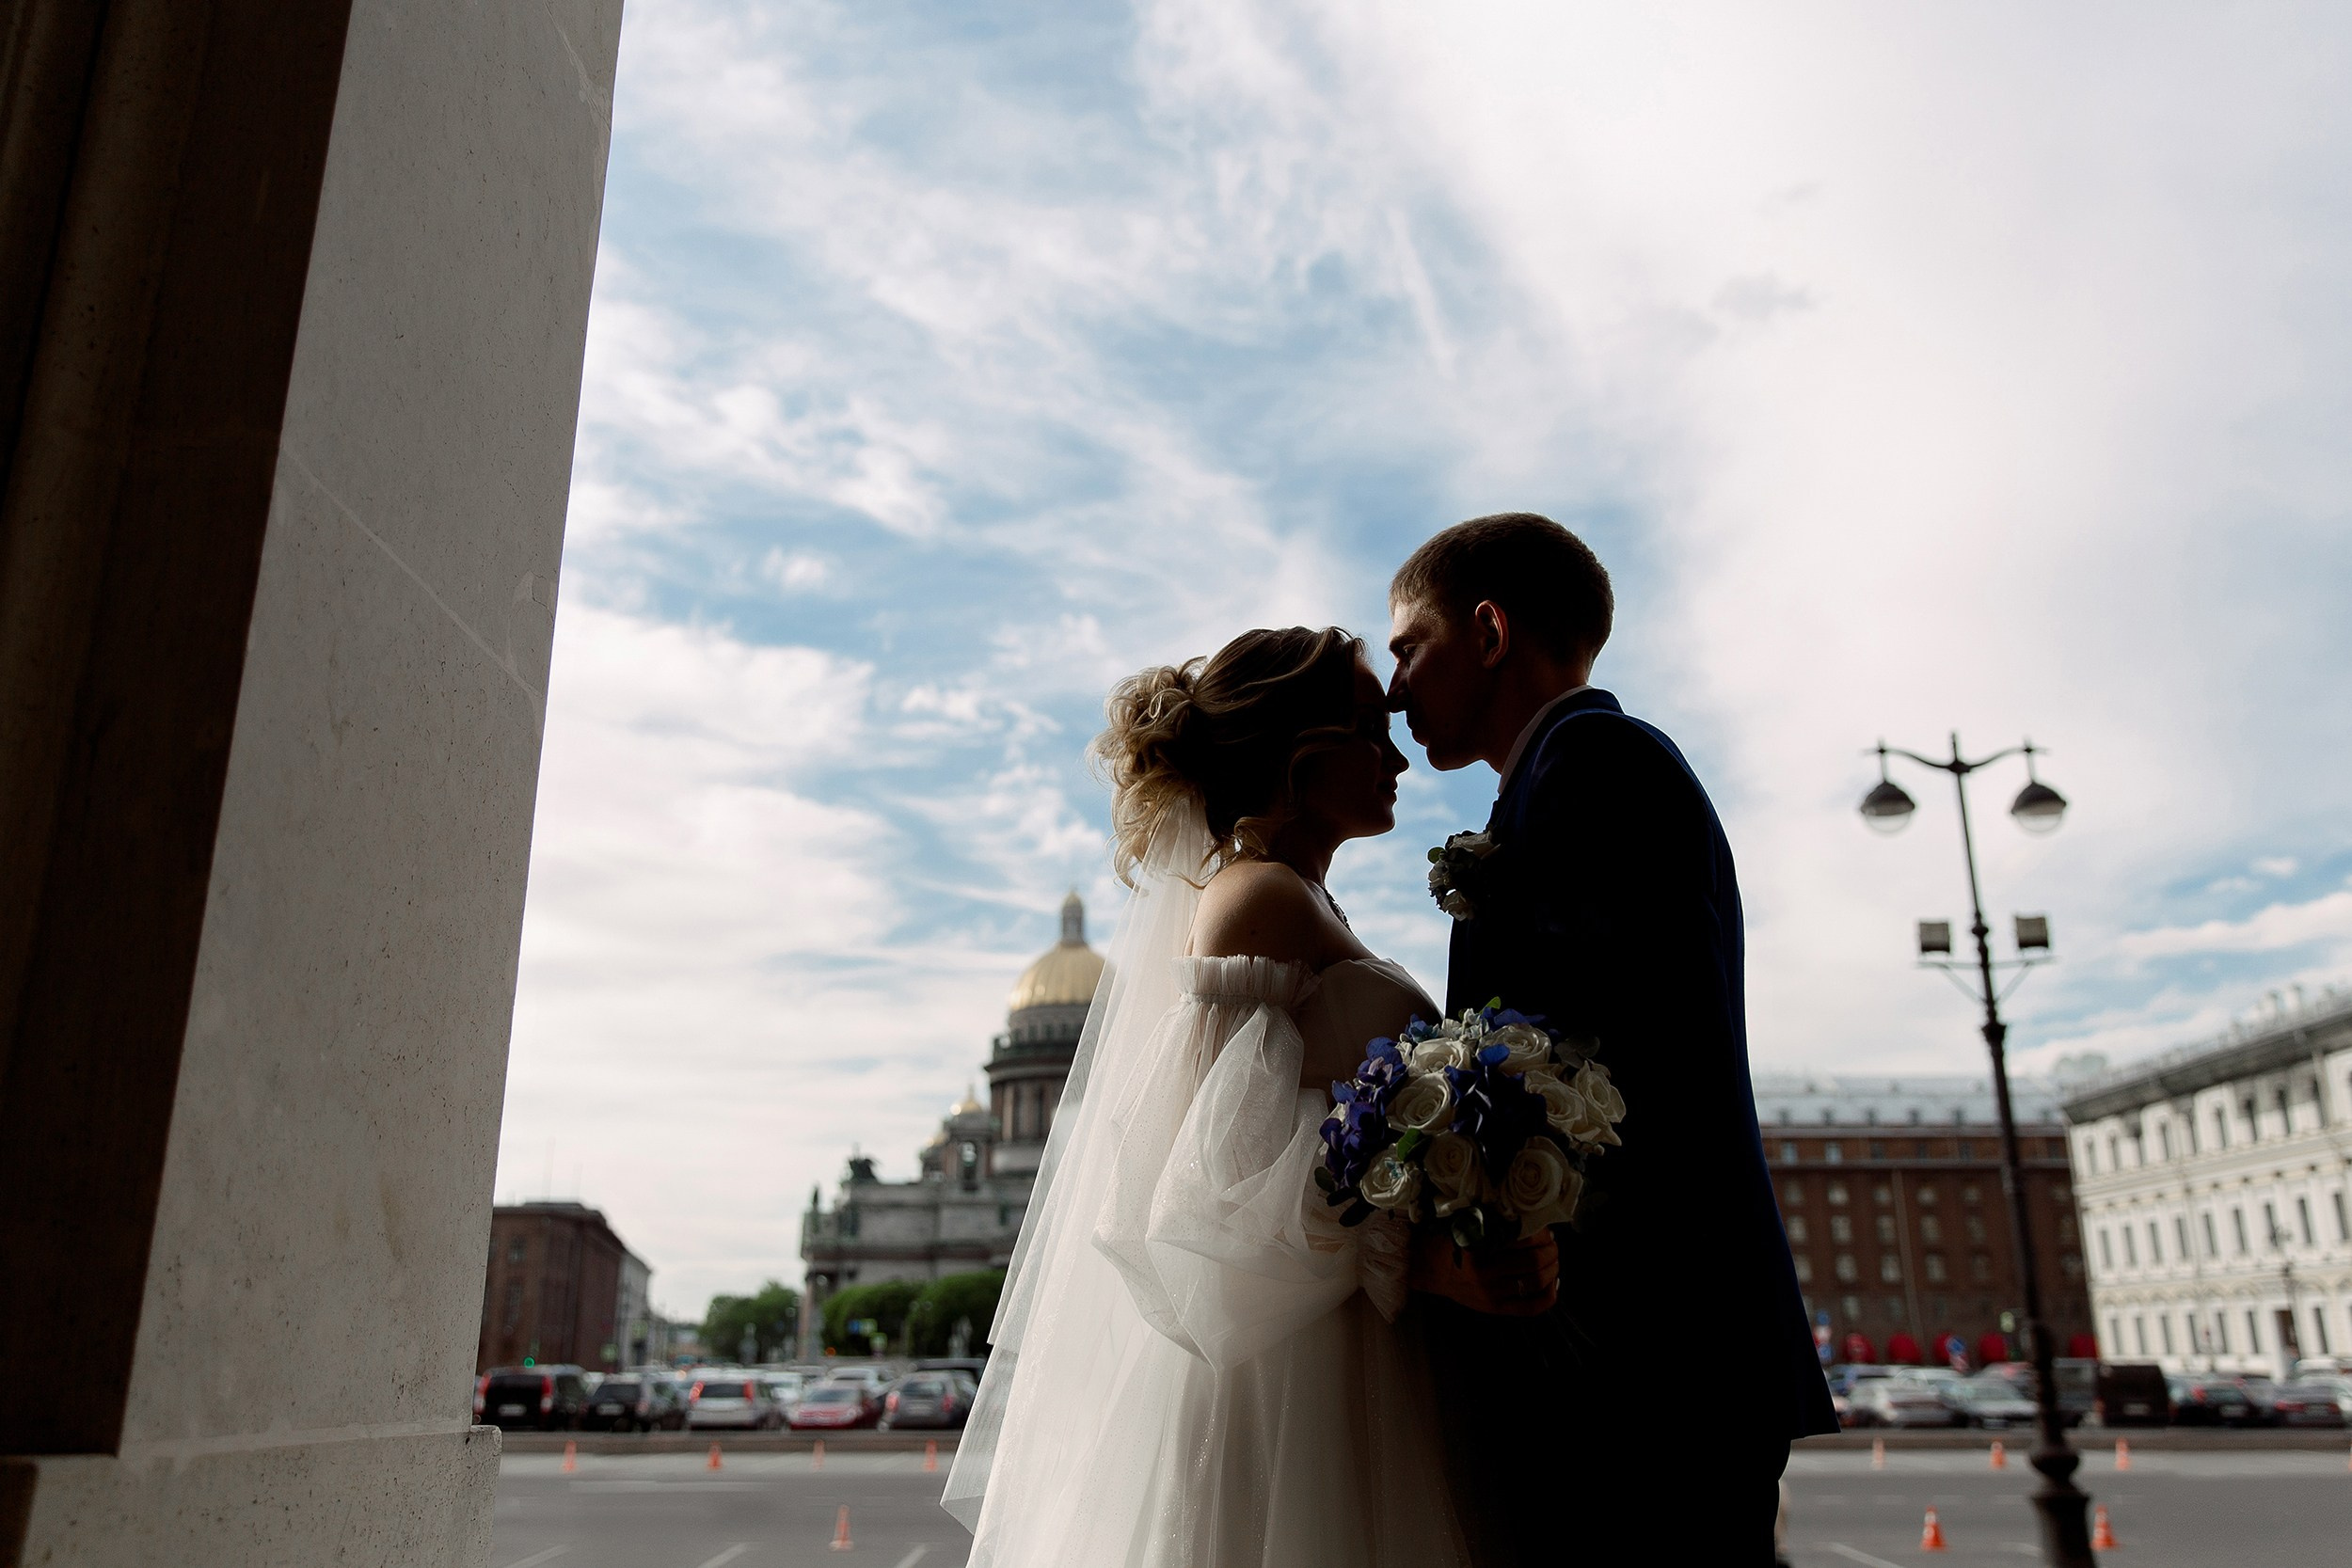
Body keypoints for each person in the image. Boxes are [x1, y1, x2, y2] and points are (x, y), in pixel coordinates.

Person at [945, 626, 1474, 1568]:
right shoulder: (1255, 897)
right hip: (1288, 1378)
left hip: (1337, 1345)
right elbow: (1212, 1192)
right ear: (1296, 749)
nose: (1396, 754)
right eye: (1365, 726)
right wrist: (1416, 1247)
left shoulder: (1292, 894)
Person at [1387, 512, 1839, 1565]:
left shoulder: (1595, 769)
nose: (1394, 687)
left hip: (1640, 1351)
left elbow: (1583, 1073)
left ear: (1488, 631)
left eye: (1409, 646)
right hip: (1647, 1347)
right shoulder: (1574, 771)